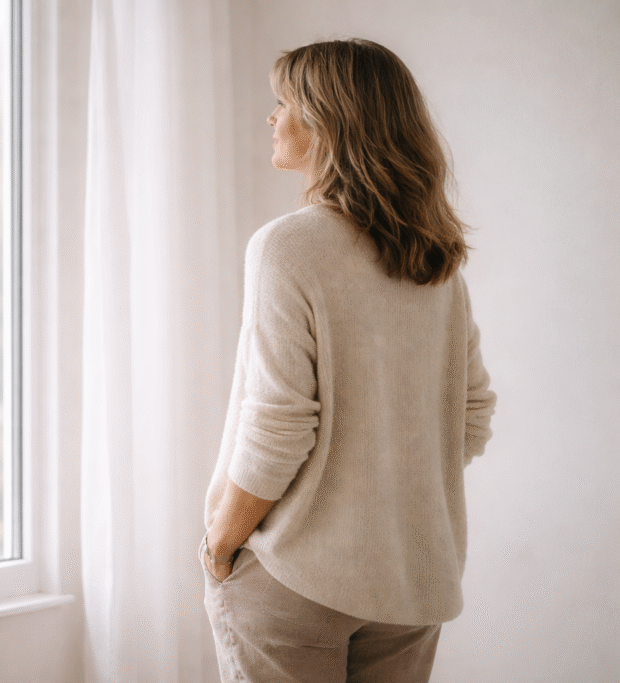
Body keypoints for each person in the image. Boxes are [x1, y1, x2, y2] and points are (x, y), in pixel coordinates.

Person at [200, 38, 496, 683]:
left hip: (295, 580)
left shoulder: (288, 246)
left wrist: (222, 543)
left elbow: (276, 424)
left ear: (327, 119)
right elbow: (470, 417)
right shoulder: (433, 261)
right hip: (413, 582)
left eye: (284, 103)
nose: (271, 118)